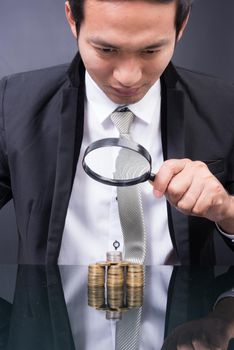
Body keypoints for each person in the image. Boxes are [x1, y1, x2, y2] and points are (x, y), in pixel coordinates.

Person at [0, 0, 233, 264]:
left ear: (182, 26)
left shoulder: (225, 106)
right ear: (72, 20)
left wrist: (227, 210)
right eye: (106, 49)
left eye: (150, 50)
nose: (128, 77)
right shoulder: (13, 103)